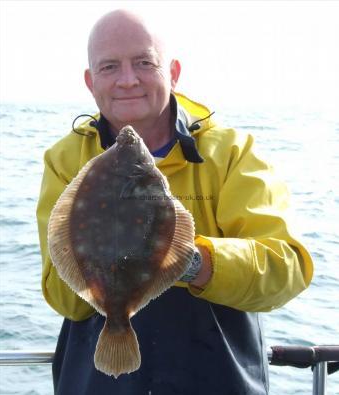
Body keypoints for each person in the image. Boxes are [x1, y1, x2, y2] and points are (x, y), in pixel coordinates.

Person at [36, 9, 313, 395]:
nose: (128, 80)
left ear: (174, 73)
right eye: (110, 66)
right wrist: (102, 271)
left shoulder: (231, 152)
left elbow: (287, 267)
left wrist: (189, 261)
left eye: (145, 63)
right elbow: (62, 296)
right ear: (90, 81)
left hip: (216, 378)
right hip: (100, 383)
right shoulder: (65, 160)